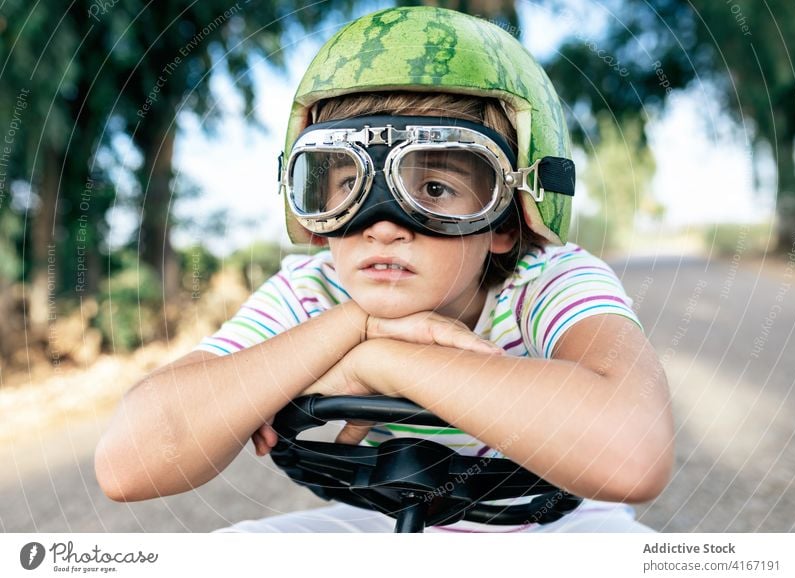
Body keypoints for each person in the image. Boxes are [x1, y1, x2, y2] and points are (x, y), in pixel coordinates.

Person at [95, 6, 673, 533]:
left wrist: (383, 359)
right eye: (348, 184)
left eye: (435, 187)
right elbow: (128, 465)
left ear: (506, 217)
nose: (382, 225)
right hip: (381, 517)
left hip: (560, 524)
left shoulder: (548, 282)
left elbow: (633, 451)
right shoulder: (316, 289)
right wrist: (352, 326)